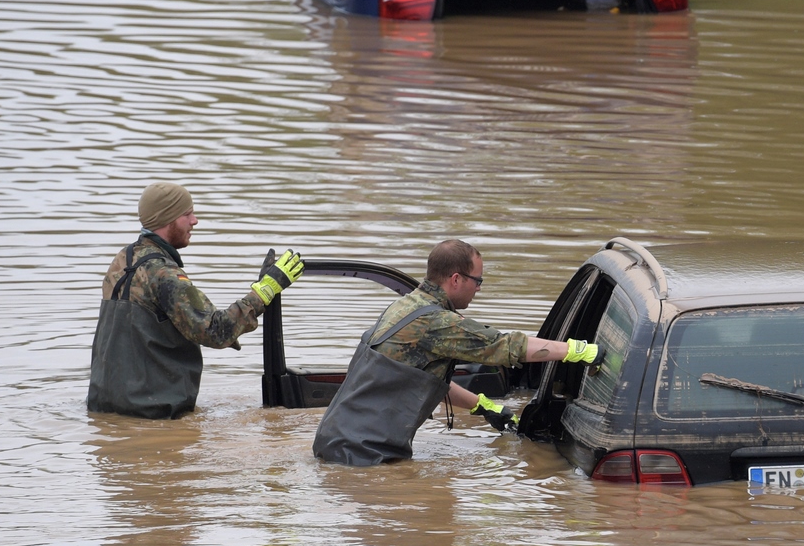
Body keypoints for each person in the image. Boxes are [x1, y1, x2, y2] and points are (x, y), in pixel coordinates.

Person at [313, 238, 598, 466]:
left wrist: (482, 406)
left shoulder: (407, 306)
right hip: (360, 457)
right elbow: (505, 345)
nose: (479, 289)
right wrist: (577, 350)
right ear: (456, 279)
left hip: (335, 443)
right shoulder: (436, 323)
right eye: (478, 281)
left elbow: (418, 378)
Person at [88, 181, 304, 419]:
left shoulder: (122, 260)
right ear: (167, 218)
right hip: (154, 417)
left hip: (104, 408)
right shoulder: (164, 274)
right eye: (187, 214)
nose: (195, 220)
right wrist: (265, 290)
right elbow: (215, 330)